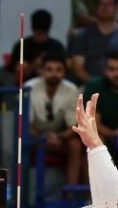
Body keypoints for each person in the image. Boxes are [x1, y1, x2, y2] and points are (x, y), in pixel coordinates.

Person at [29, 52, 83, 186]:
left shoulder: (71, 89)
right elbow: (27, 125)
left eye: (58, 70)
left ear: (64, 72)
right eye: (49, 69)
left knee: (76, 145)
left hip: (59, 137)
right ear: (41, 71)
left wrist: (59, 137)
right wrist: (44, 137)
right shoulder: (28, 88)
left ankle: (70, 192)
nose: (54, 74)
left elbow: (73, 125)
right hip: (33, 137)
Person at [6, 9, 67, 83]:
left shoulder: (57, 47)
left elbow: (64, 72)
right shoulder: (22, 46)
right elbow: (15, 76)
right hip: (26, 86)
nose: (40, 38)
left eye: (42, 34)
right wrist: (33, 66)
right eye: (38, 34)